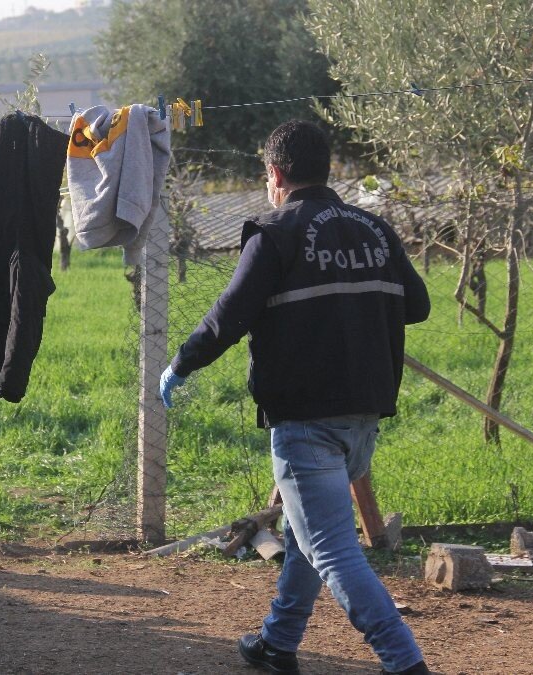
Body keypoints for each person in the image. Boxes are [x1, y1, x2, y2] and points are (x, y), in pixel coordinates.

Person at [159, 120, 431, 675]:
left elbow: (228, 316)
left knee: (330, 546)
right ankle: (277, 643)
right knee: (311, 528)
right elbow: (418, 305)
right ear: (324, 170)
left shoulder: (274, 232)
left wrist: (181, 364)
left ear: (276, 174)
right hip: (364, 417)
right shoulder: (376, 230)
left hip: (306, 420)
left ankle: (405, 663)